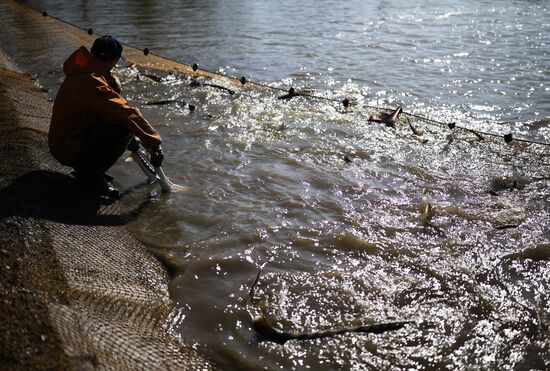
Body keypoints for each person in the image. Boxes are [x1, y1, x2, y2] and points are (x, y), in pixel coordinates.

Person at [49, 35, 164, 198]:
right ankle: (90, 176)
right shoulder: (91, 81)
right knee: (123, 126)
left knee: (121, 123)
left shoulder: (85, 73)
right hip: (66, 148)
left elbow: (108, 111)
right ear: (113, 61)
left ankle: (89, 171)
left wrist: (135, 139)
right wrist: (154, 144)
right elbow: (125, 112)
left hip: (66, 140)